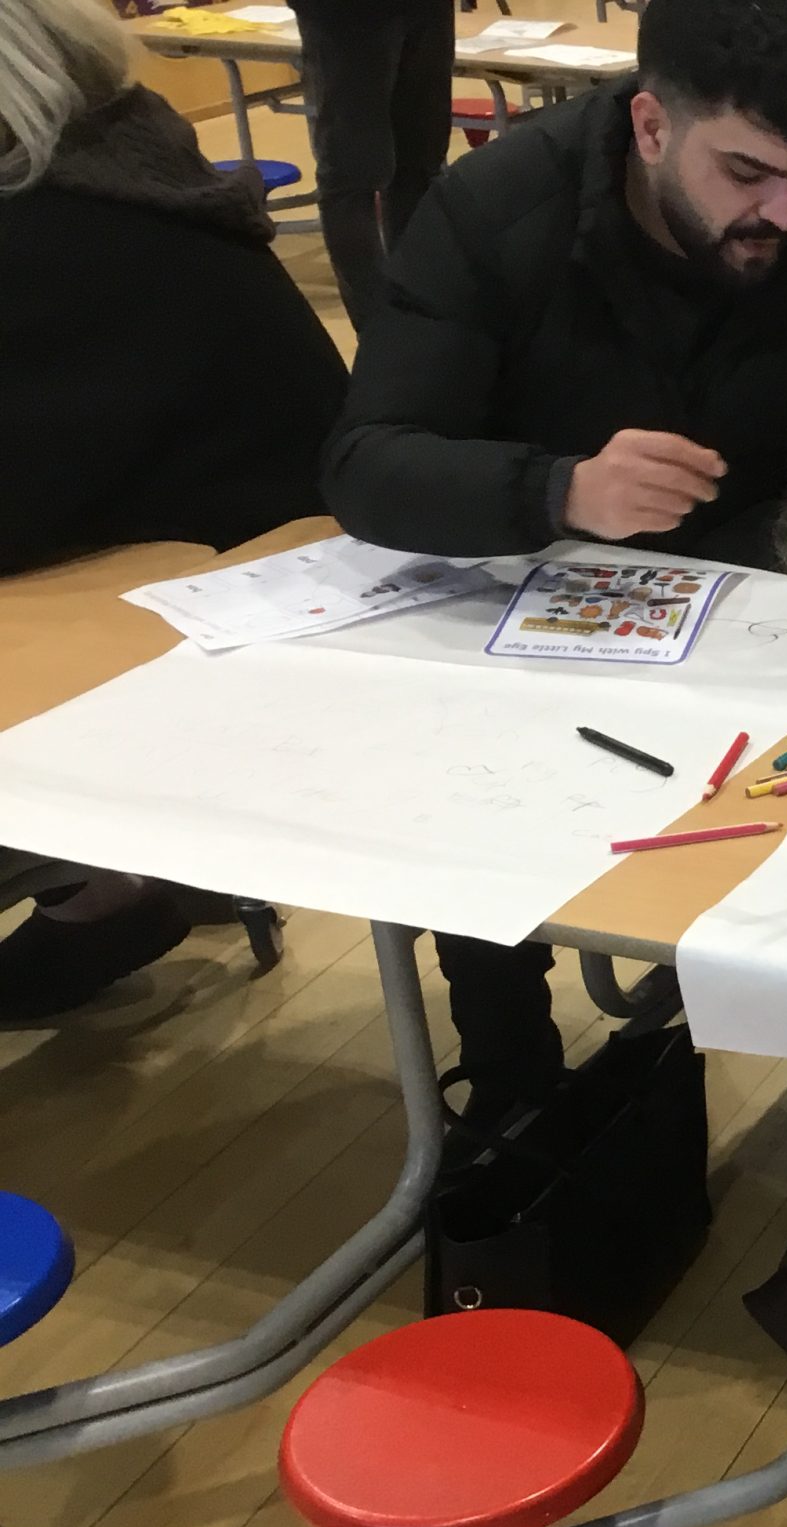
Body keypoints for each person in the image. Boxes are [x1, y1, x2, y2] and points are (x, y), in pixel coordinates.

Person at [322, 0, 787, 1130]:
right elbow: (365, 464)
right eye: (745, 174)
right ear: (649, 125)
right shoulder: (494, 212)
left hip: (759, 611)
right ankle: (513, 1092)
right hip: (536, 610)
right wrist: (560, 491)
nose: (781, 212)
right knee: (477, 798)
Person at [0, 0, 346, 1020]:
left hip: (249, 616)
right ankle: (101, 886)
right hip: (227, 558)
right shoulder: (121, 154)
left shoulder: (51, 232)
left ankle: (102, 886)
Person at [284, 0, 455, 332]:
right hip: (347, 14)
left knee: (422, 166)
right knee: (352, 176)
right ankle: (381, 332)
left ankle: (424, 321)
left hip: (427, 9)